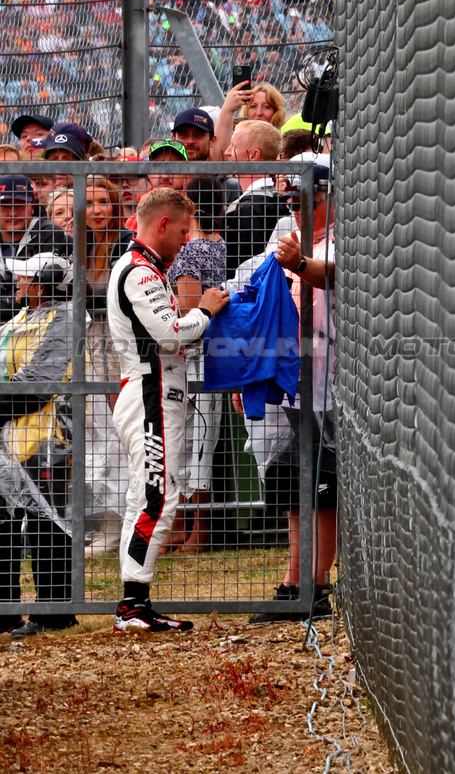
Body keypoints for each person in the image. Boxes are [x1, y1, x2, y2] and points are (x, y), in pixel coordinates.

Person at [108, 187, 229, 632]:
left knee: (149, 495)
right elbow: (172, 335)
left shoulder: (145, 269)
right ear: (162, 224)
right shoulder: (139, 272)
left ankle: (134, 603)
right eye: (181, 230)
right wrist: (206, 310)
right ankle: (132, 606)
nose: (184, 240)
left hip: (153, 394)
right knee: (157, 496)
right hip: (149, 395)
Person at [248, 163, 336, 624]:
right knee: (289, 479)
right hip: (296, 382)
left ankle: (316, 586)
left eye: (307, 197)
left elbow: (333, 273)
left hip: (333, 386)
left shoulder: (342, 236)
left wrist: (299, 264)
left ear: (329, 196)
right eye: (289, 199)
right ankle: (294, 580)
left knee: (323, 486)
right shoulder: (290, 240)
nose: (296, 206)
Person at [0, 252, 79, 637]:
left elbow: (41, 379)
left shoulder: (64, 319)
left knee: (47, 525)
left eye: (25, 277)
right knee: (6, 524)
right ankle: (6, 609)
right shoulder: (20, 319)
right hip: (11, 438)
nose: (17, 283)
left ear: (43, 284)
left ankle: (55, 612)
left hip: (47, 437)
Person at [164, 177, 226, 553]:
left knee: (193, 441)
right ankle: (184, 529)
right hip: (216, 351)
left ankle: (196, 532)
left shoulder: (192, 252)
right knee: (201, 438)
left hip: (196, 354)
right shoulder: (223, 246)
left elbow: (189, 310)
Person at [0, 175, 71, 323]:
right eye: (5, 205)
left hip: (38, 325)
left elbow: (34, 296)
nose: (13, 213)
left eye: (20, 204)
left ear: (32, 206)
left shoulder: (49, 233)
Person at [222, 120, 285, 278]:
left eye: (234, 147)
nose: (227, 152)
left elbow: (248, 272)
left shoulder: (250, 208)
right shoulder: (278, 201)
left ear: (254, 155)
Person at [211, 81, 285, 164]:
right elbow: (219, 161)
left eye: (266, 107)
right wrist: (227, 109)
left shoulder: (285, 142)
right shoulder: (233, 137)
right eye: (253, 106)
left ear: (276, 111)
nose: (259, 112)